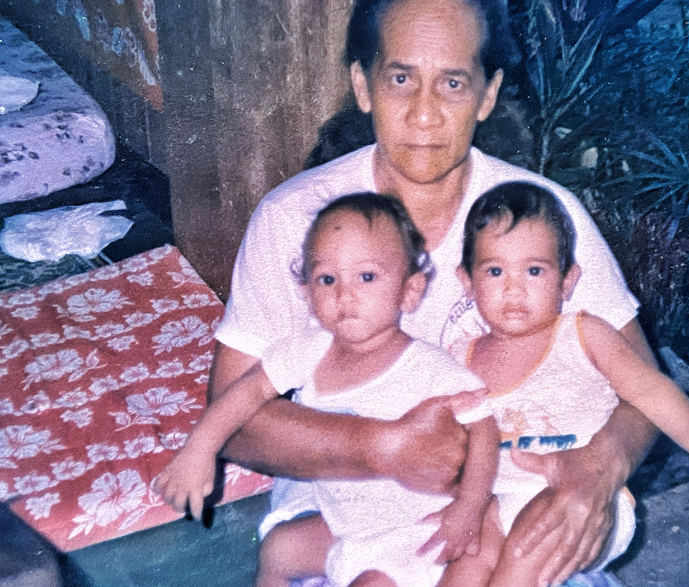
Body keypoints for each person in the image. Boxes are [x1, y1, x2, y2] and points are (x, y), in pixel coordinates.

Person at [210, 0, 659, 586]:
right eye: (400, 79)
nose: (425, 112)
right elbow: (232, 420)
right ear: (363, 85)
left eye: (452, 82)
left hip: (516, 497)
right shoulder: (296, 217)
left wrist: (605, 460)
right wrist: (376, 446)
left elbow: (642, 385)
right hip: (351, 513)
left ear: (487, 95)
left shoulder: (542, 217)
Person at [155, 193, 500, 587]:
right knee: (278, 551)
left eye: (366, 277)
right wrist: (200, 449)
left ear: (410, 290)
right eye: (327, 279)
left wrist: (470, 508)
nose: (345, 294)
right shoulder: (309, 350)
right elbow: (244, 393)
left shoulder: (429, 367)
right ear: (307, 294)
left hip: (416, 530)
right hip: (344, 523)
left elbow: (483, 424)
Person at [438, 181, 689, 587]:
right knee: (465, 564)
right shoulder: (460, 357)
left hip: (590, 504)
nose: (514, 288)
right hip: (500, 503)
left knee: (523, 552)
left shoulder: (584, 334)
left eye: (534, 270)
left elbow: (651, 390)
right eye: (495, 271)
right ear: (467, 281)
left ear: (567, 282)